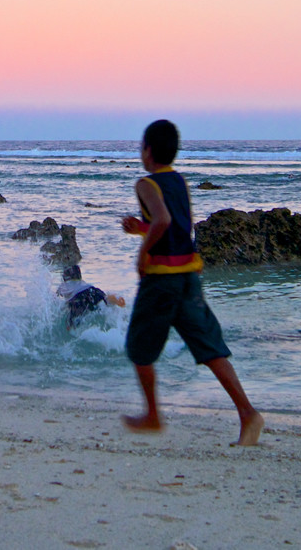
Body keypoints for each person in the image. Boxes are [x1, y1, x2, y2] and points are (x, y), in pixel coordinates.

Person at [120, 119, 263, 446]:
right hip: (190, 276)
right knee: (209, 348)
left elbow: (163, 220)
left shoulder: (145, 184)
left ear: (148, 150)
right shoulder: (179, 182)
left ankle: (153, 415)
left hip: (161, 281)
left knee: (140, 350)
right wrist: (141, 228)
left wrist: (142, 252)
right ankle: (247, 413)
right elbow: (174, 227)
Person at [55, 264, 126, 326]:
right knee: (104, 300)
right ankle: (115, 299)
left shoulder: (63, 286)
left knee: (72, 322)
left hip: (78, 297)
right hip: (93, 290)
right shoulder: (82, 282)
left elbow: (57, 298)